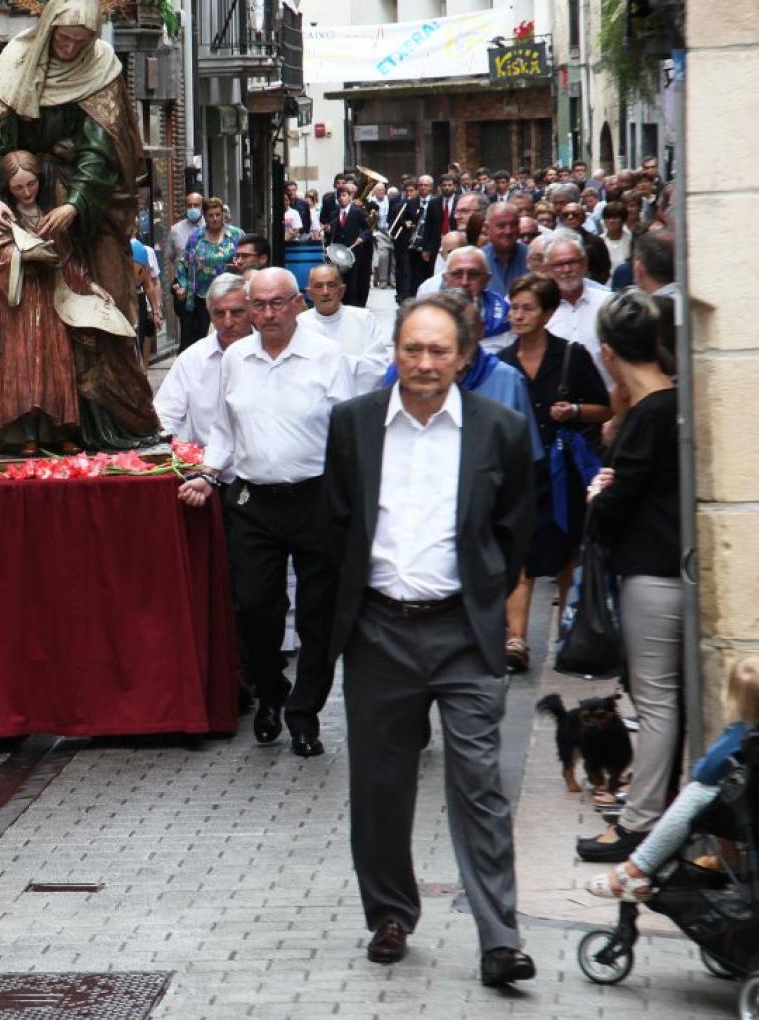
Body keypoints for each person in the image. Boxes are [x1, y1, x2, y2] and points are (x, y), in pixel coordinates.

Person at [322, 290, 536, 987]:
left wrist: (487, 601)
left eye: (439, 350)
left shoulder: (500, 429)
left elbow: (513, 529)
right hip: (379, 630)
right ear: (394, 351)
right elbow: (336, 526)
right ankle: (389, 914)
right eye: (412, 348)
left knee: (479, 785)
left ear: (464, 358)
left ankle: (500, 939)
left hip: (463, 633)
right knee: (380, 786)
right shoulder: (353, 424)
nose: (423, 362)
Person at [177, 268, 352, 757]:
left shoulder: (327, 356)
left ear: (298, 303)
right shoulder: (236, 358)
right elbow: (224, 429)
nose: (268, 313)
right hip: (254, 501)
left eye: (278, 303)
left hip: (316, 499)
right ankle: (271, 692)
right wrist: (208, 473)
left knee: (318, 616)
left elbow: (348, 429)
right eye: (259, 304)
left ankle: (304, 714)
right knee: (254, 607)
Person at [577, 291, 684, 864]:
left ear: (609, 354)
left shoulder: (650, 413)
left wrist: (600, 494)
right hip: (667, 566)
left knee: (655, 700)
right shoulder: (670, 404)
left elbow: (615, 505)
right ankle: (655, 813)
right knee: (663, 700)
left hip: (652, 571)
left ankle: (641, 826)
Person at [587, 655, 759, 901]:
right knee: (728, 787)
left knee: (701, 791)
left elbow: (705, 771)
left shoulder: (743, 735)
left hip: (758, 812)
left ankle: (637, 869)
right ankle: (730, 859)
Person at [495, 274, 611, 672]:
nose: (518, 316)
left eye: (527, 308)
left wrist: (574, 411)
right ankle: (516, 640)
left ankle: (569, 634)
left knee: (567, 555)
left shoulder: (570, 356)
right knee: (520, 557)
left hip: (564, 474)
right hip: (521, 475)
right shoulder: (503, 363)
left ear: (547, 314)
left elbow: (604, 408)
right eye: (514, 308)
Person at [0, 150, 82, 454]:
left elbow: (69, 258)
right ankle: (27, 433)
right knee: (23, 366)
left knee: (56, 363)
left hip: (50, 299)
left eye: (31, 184)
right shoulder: (3, 219)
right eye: (18, 187)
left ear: (39, 180)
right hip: (18, 305)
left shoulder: (51, 215)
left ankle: (60, 430)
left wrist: (88, 284)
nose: (26, 192)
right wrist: (22, 255)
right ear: (8, 188)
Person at [152, 273, 250, 450]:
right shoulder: (193, 358)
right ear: (209, 314)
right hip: (205, 461)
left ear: (252, 310)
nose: (228, 322)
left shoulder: (267, 352)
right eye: (219, 313)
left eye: (237, 312)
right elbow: (166, 415)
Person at [538, 231, 615, 384]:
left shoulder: (608, 303)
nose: (567, 270)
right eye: (559, 265)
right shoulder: (539, 309)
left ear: (585, 264)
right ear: (547, 269)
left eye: (572, 262)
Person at [175, 195, 243, 347]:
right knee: (204, 339)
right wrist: (182, 285)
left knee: (231, 334)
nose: (215, 219)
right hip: (203, 298)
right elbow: (183, 263)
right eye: (211, 215)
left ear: (222, 215)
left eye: (218, 214)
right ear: (205, 217)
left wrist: (240, 264)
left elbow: (247, 258)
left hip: (230, 294)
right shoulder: (196, 238)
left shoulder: (236, 235)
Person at [297, 263, 377, 362]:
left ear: (342, 290)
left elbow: (378, 364)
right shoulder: (299, 324)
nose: (325, 292)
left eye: (331, 285)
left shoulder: (365, 319)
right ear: (309, 294)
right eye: (318, 287)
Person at [167, 191, 207, 324]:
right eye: (189, 205)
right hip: (183, 287)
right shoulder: (175, 230)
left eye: (196, 205)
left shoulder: (210, 227)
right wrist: (177, 283)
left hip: (205, 286)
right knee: (187, 328)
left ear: (202, 206)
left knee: (205, 327)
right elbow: (171, 259)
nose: (192, 208)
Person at [481, 203, 528, 297]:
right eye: (501, 226)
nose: (508, 231)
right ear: (487, 228)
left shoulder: (532, 258)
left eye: (513, 225)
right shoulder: (478, 260)